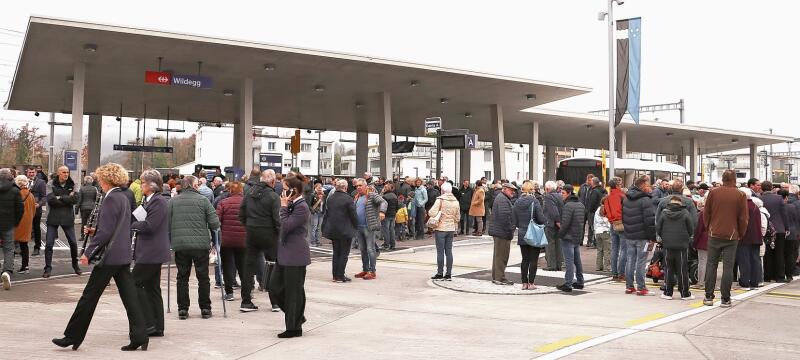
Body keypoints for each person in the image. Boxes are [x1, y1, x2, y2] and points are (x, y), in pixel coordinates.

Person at [52, 163, 148, 351]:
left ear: (105, 179)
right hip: (122, 254)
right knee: (130, 298)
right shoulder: (124, 197)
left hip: (110, 256)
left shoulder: (111, 199)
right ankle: (140, 336)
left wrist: (88, 253)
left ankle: (72, 336)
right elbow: (121, 225)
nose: (99, 181)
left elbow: (105, 233)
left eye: (100, 178)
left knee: (89, 297)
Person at [169, 175, 221, 320]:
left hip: (181, 245)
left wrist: (170, 240)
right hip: (200, 245)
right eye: (197, 184)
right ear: (193, 186)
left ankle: (183, 309)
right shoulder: (203, 201)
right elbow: (215, 224)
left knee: (182, 277)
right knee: (203, 277)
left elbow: (167, 222)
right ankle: (205, 308)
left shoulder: (173, 201)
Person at [270, 174, 312, 338]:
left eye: (285, 189)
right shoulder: (293, 205)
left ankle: (294, 328)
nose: (282, 192)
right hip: (284, 254)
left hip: (295, 255)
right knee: (274, 287)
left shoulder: (301, 207)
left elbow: (286, 225)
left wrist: (283, 206)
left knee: (294, 293)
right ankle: (297, 317)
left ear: (293, 191)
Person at [130, 169, 171, 337]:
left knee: (134, 284)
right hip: (149, 251)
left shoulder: (159, 202)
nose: (141, 185)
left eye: (143, 183)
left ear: (152, 185)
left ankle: (148, 324)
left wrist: (132, 225)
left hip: (151, 252)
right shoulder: (148, 200)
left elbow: (149, 225)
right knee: (152, 288)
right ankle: (156, 326)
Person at [702, 170, 748, 307]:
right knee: (728, 268)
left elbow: (706, 213)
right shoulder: (741, 194)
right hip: (732, 235)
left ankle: (708, 297)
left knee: (711, 265)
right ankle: (725, 299)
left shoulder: (713, 192)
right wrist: (741, 233)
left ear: (722, 179)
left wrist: (708, 228)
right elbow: (743, 218)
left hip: (714, 233)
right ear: (735, 179)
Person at [239, 169, 281, 313]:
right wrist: (279, 234)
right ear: (273, 181)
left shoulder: (249, 193)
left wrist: (248, 225)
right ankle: (275, 302)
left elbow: (241, 213)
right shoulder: (274, 196)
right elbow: (277, 219)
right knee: (273, 265)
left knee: (248, 267)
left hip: (252, 231)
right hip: (269, 233)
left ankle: (245, 301)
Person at [622, 175, 656, 296]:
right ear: (642, 185)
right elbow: (649, 221)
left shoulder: (626, 198)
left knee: (630, 260)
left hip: (630, 235)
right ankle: (641, 288)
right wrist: (653, 237)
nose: (650, 187)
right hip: (642, 236)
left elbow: (624, 217)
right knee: (641, 262)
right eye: (647, 185)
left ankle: (629, 287)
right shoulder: (645, 200)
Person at [44, 166, 81, 278]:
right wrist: (66, 199)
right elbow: (51, 200)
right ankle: (47, 268)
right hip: (53, 217)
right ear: (58, 173)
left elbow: (75, 199)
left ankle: (75, 265)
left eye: (67, 172)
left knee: (73, 243)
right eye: (64, 172)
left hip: (67, 217)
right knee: (49, 244)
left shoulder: (73, 184)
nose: (66, 174)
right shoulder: (51, 184)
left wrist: (60, 197)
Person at [657, 196, 696, 300]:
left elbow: (659, 228)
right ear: (680, 203)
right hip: (682, 246)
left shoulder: (664, 213)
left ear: (670, 203)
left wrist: (664, 238)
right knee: (682, 270)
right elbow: (691, 229)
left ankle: (668, 293)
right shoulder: (685, 213)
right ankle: (685, 293)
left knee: (669, 269)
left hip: (668, 246)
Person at [216, 181, 247, 301]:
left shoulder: (223, 203)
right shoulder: (247, 203)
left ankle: (229, 293)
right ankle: (246, 292)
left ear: (230, 191)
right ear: (241, 191)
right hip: (243, 240)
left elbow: (217, 220)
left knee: (228, 266)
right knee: (243, 267)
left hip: (227, 240)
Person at [322, 179, 358, 282]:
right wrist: (356, 226)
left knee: (336, 252)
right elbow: (353, 215)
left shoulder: (331, 198)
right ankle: (340, 275)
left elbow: (327, 213)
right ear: (345, 188)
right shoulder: (348, 199)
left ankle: (335, 275)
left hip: (333, 229)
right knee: (344, 253)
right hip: (345, 230)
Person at [512, 181, 546, 290]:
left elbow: (514, 219)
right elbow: (540, 219)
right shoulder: (534, 201)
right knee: (533, 260)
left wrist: (521, 226)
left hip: (522, 233)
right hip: (533, 233)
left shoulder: (517, 202)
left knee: (525, 259)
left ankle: (524, 283)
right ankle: (531, 283)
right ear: (531, 190)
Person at [353, 178, 387, 280]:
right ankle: (365, 269)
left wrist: (382, 212)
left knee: (370, 249)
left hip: (369, 227)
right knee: (363, 250)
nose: (358, 187)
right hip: (359, 227)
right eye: (357, 186)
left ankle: (372, 271)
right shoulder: (357, 197)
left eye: (360, 185)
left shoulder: (372, 195)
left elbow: (384, 202)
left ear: (365, 186)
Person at [428, 182, 460, 281]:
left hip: (441, 228)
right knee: (449, 251)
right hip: (451, 229)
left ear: (442, 190)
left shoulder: (440, 200)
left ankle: (440, 272)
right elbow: (458, 218)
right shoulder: (456, 201)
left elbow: (432, 212)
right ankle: (448, 274)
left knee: (440, 251)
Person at [557, 184, 585, 292]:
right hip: (577, 236)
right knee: (577, 261)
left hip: (568, 237)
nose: (561, 195)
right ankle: (580, 281)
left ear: (569, 193)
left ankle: (568, 283)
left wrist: (560, 234)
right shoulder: (580, 205)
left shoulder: (568, 206)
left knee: (569, 261)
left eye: (563, 193)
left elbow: (565, 223)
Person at [488, 183, 516, 285]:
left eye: (513, 190)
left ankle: (496, 277)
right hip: (502, 232)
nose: (512, 192)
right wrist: (511, 230)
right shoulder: (503, 199)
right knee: (502, 256)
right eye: (510, 190)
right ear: (504, 189)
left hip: (499, 231)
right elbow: (505, 218)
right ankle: (500, 278)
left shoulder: (501, 198)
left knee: (498, 256)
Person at [1, 169, 23, 290]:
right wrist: (16, 222)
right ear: (10, 177)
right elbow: (20, 209)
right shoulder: (15, 190)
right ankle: (7, 271)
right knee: (9, 249)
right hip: (9, 224)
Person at [761, 181, 788, 282]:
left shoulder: (760, 198)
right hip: (779, 228)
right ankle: (780, 276)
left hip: (766, 229)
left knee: (767, 253)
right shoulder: (779, 198)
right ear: (771, 187)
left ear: (762, 189)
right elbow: (783, 214)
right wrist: (787, 228)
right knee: (779, 253)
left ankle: (768, 276)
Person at [736, 188, 763, 290]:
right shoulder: (755, 206)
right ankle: (755, 282)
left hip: (744, 237)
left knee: (744, 260)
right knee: (755, 259)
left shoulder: (742, 207)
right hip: (756, 236)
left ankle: (745, 282)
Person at [12, 175, 35, 276]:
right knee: (24, 245)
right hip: (27, 223)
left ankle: (9, 266)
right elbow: (34, 210)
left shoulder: (16, 194)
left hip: (16, 222)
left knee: (10, 245)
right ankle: (25, 266)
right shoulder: (31, 195)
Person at [543, 181, 564, 271]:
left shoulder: (548, 197)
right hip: (558, 224)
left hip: (551, 223)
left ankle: (551, 265)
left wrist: (557, 221)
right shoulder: (560, 196)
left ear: (547, 189)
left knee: (550, 244)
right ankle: (559, 264)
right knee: (558, 243)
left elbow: (553, 210)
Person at [25, 167, 46, 256]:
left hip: (36, 209)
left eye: (33, 172)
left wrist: (39, 204)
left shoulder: (41, 182)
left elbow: (44, 196)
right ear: (27, 173)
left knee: (36, 228)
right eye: (29, 172)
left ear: (36, 173)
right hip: (25, 209)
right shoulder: (23, 181)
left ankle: (37, 247)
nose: (31, 174)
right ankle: (21, 247)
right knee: (25, 228)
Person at [586, 177, 605, 248]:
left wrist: (589, 210)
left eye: (591, 181)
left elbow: (592, 203)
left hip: (593, 212)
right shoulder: (603, 190)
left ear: (593, 183)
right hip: (601, 211)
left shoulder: (594, 191)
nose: (590, 182)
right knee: (600, 227)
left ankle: (596, 243)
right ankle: (599, 243)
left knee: (594, 227)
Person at [594, 203, 612, 272]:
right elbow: (608, 222)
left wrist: (595, 231)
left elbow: (594, 222)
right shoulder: (607, 209)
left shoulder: (597, 210)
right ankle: (607, 267)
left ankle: (598, 266)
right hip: (605, 232)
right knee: (607, 250)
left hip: (598, 232)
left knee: (599, 250)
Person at [381, 183, 398, 250]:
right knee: (392, 230)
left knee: (386, 230)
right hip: (393, 214)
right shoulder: (394, 196)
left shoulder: (384, 196)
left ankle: (386, 244)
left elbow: (382, 206)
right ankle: (393, 244)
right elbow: (397, 206)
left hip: (386, 215)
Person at [308, 183, 326, 247]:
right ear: (316, 187)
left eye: (321, 187)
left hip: (321, 213)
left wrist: (323, 212)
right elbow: (309, 205)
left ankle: (317, 241)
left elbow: (324, 204)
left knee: (318, 228)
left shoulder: (323, 195)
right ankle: (312, 241)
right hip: (315, 213)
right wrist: (313, 211)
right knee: (314, 227)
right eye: (319, 187)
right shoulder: (313, 195)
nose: (320, 188)